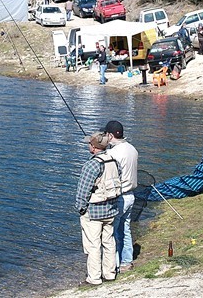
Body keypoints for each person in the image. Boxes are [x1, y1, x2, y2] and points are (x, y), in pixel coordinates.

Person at [74, 131, 120, 286]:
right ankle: (110, 273)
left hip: (94, 212)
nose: (88, 145)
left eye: (89, 143)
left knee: (93, 245)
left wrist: (81, 209)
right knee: (109, 242)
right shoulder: (114, 161)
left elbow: (83, 191)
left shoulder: (91, 165)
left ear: (93, 147)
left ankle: (94, 278)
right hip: (111, 209)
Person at [103, 121, 138, 273]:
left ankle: (114, 265)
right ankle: (127, 261)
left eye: (106, 135)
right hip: (131, 195)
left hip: (119, 197)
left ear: (110, 135)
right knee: (126, 229)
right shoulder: (132, 149)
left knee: (111, 232)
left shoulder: (112, 154)